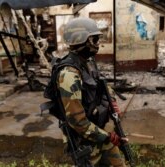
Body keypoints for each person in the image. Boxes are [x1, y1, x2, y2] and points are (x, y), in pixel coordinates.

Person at [50, 17, 128, 166]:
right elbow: (77, 122)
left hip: (98, 131)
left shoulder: (87, 62)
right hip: (84, 140)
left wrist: (112, 100)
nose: (98, 44)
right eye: (95, 39)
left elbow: (99, 85)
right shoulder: (69, 74)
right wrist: (108, 137)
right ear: (83, 40)